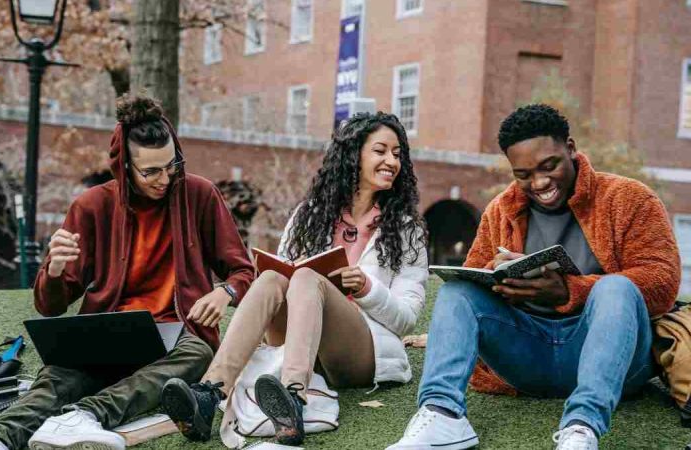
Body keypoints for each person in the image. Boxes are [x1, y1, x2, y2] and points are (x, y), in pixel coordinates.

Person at [0, 94, 255, 450]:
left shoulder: (200, 195)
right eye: (150, 171)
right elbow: (50, 306)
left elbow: (243, 270)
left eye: (171, 164)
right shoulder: (92, 206)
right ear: (124, 167)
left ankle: (83, 417)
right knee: (59, 374)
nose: (164, 178)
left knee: (198, 355)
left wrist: (224, 292)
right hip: (109, 330)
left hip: (176, 335)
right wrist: (54, 270)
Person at [388, 104, 681, 450]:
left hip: (613, 359)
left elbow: (662, 282)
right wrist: (503, 282)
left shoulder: (630, 199)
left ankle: (581, 428)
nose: (539, 183)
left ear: (570, 148)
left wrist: (568, 291)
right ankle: (442, 414)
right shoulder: (500, 209)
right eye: (523, 174)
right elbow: (476, 281)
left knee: (617, 288)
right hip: (528, 355)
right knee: (458, 291)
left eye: (549, 166)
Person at [159, 112, 429, 446]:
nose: (391, 160)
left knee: (306, 279)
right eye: (381, 151)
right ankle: (209, 393)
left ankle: (293, 399)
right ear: (353, 155)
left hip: (360, 353)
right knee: (274, 276)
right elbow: (284, 279)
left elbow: (406, 318)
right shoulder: (309, 214)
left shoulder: (405, 229)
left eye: (397, 154)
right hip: (297, 340)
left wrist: (366, 289)